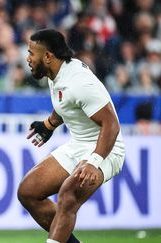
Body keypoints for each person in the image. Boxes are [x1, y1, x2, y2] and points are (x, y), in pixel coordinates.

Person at [17, 28, 125, 243]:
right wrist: (49, 124)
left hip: (106, 149)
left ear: (48, 56)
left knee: (68, 196)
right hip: (79, 145)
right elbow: (65, 103)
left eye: (31, 53)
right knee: (28, 191)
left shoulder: (79, 82)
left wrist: (94, 162)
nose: (27, 59)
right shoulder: (55, 73)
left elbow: (111, 125)